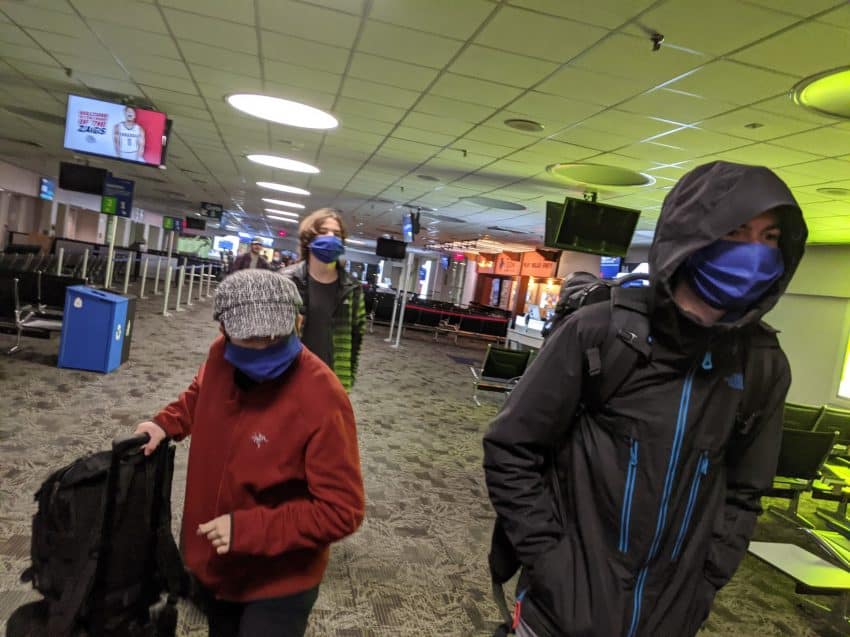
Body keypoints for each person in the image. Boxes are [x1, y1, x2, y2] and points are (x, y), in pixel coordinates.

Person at [483, 161, 808, 637]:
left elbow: (745, 491)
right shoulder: (601, 334)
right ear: (695, 234)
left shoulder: (762, 364)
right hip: (559, 613)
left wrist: (706, 581)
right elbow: (511, 448)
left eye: (770, 238)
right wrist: (552, 562)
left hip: (670, 618)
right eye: (737, 232)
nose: (755, 252)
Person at [133, 269, 365, 637]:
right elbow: (199, 394)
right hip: (215, 565)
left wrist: (247, 529)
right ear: (224, 330)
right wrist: (166, 423)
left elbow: (342, 511)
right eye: (249, 339)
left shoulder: (323, 397)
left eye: (274, 339)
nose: (262, 349)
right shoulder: (220, 356)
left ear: (297, 323)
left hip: (278, 583)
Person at [282, 208, 366, 392]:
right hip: (289, 378)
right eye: (323, 232)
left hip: (331, 381)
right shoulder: (286, 281)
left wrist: (347, 380)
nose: (330, 237)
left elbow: (356, 338)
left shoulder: (352, 288)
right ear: (309, 239)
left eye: (336, 234)